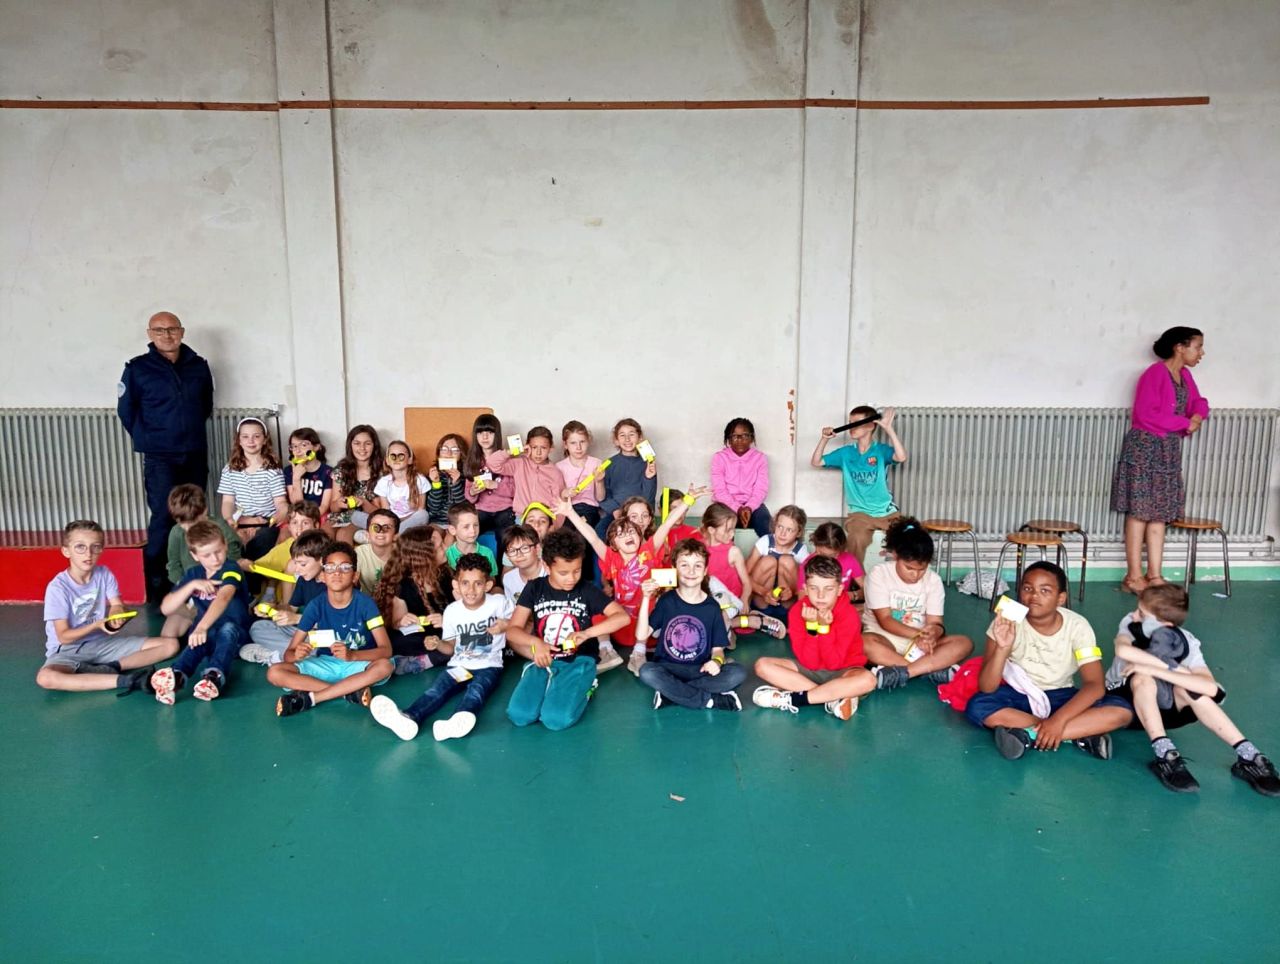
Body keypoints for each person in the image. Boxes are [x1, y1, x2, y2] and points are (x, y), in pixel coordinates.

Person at [1104, 584, 1279, 796]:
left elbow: (1210, 689)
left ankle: (1249, 756)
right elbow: (1123, 650)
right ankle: (1165, 756)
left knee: (1193, 691)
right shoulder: (1131, 625)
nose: (1134, 614)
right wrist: (1164, 669)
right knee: (1143, 678)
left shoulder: (1186, 641)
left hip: (1164, 706)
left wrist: (1164, 667)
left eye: (1142, 613)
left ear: (1166, 625)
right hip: (1124, 703)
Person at [965, 562, 1133, 760]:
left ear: (1060, 598)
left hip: (1061, 696)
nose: (1034, 596)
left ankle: (1030, 734)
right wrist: (1003, 647)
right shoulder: (1007, 618)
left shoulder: (1078, 625)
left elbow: (1095, 685)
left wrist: (1058, 720)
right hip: (1019, 695)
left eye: (1045, 590)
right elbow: (987, 687)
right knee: (978, 706)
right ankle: (1077, 736)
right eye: (1028, 588)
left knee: (1122, 711)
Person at [116, 311, 215, 602]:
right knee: (163, 516)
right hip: (160, 456)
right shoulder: (138, 369)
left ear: (182, 332)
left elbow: (205, 405)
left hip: (194, 451)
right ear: (150, 334)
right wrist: (151, 438)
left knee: (196, 515)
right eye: (160, 330)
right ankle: (158, 582)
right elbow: (127, 411)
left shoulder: (198, 365)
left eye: (172, 329)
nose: (167, 335)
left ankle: (196, 574)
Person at [559, 487, 707, 675]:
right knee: (596, 606)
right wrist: (570, 512)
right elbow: (591, 537)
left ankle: (638, 655)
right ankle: (606, 650)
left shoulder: (649, 551)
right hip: (622, 624)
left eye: (632, 532)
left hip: (648, 626)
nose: (628, 536)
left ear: (640, 536)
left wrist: (687, 501)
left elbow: (667, 524)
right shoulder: (611, 557)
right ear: (612, 543)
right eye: (621, 534)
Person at [369, 552, 514, 742]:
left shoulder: (499, 603)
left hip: (489, 666)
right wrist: (438, 644)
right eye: (465, 583)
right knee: (436, 690)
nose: (471, 589)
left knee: (476, 692)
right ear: (456, 585)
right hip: (459, 665)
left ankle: (455, 721)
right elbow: (451, 648)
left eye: (478, 583)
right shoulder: (452, 611)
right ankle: (409, 718)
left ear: (487, 585)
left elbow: (520, 624)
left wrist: (506, 624)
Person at [1111, 327, 1209, 593]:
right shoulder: (1155, 373)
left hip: (1167, 449)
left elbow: (1199, 402)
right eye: (1197, 346)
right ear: (1180, 346)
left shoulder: (1184, 375)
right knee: (1140, 512)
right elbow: (1145, 414)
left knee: (1159, 513)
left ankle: (1154, 575)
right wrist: (1184, 422)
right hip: (1145, 447)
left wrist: (1197, 417)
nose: (1201, 352)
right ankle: (1133, 576)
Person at [504, 529, 630, 731]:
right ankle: (547, 684)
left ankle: (588, 685)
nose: (571, 578)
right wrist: (536, 642)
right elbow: (512, 631)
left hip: (579, 660)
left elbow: (622, 617)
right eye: (563, 572)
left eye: (577, 570)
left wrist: (588, 633)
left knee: (555, 720)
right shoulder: (535, 588)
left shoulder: (587, 589)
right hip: (545, 659)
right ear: (546, 566)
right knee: (519, 715)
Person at [36, 520, 178, 694]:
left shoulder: (104, 574)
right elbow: (64, 637)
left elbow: (117, 605)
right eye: (80, 547)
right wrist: (97, 625)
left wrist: (117, 615)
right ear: (66, 551)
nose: (88, 553)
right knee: (46, 678)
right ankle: (129, 680)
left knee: (170, 645)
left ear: (101, 549)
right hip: (68, 650)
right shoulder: (58, 588)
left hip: (100, 644)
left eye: (95, 547)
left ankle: (110, 668)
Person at [269, 541, 394, 716]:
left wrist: (352, 655)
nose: (336, 573)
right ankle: (348, 692)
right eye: (330, 568)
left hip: (357, 665)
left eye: (344, 567)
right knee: (275, 672)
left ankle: (313, 698)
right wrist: (297, 654)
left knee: (385, 666)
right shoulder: (316, 605)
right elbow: (289, 654)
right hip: (325, 665)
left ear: (355, 576)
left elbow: (386, 650)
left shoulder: (366, 604)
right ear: (323, 575)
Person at [751, 555, 876, 721]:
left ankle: (793, 698)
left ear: (839, 590)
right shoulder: (797, 611)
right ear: (805, 588)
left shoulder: (849, 614)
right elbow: (809, 662)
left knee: (868, 680)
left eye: (829, 589)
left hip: (844, 670)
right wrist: (812, 629)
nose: (821, 595)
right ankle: (832, 699)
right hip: (810, 670)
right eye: (814, 588)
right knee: (762, 665)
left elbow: (834, 663)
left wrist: (824, 629)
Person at [859, 517, 973, 690]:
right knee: (862, 643)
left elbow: (936, 622)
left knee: (965, 643)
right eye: (909, 568)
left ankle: (905, 672)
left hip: (921, 645)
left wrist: (932, 634)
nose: (915, 575)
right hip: (884, 640)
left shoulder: (933, 581)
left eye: (922, 569)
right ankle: (928, 669)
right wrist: (918, 635)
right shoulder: (879, 574)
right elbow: (885, 620)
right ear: (895, 555)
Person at [634, 539, 747, 711]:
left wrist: (716, 662)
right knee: (647, 671)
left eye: (698, 566)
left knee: (738, 672)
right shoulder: (667, 601)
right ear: (675, 568)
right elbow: (641, 636)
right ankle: (711, 700)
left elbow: (718, 650)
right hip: (668, 668)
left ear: (705, 571)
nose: (691, 571)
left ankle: (671, 693)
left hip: (700, 669)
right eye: (684, 565)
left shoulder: (712, 607)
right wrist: (645, 598)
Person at [151, 521, 252, 704]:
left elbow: (224, 597)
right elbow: (166, 607)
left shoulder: (231, 569)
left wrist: (202, 626)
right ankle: (176, 678)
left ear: (225, 545)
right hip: (206, 634)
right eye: (207, 555)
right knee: (196, 643)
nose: (215, 559)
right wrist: (191, 586)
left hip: (236, 637)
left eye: (218, 551)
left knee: (226, 628)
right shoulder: (193, 574)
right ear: (195, 555)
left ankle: (214, 678)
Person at [810, 405, 907, 564]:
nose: (851, 427)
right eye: (849, 422)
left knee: (908, 537)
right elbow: (816, 461)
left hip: (887, 512)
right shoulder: (846, 453)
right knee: (856, 539)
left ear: (870, 425)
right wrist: (824, 439)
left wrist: (889, 429)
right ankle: (856, 584)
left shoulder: (881, 451)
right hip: (860, 514)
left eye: (856, 423)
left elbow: (901, 457)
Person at [239, 529, 330, 665]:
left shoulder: (334, 581)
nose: (297, 569)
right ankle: (297, 655)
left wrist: (298, 618)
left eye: (303, 564)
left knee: (328, 640)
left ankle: (278, 656)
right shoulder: (304, 580)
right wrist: (273, 608)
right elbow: (290, 608)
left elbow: (338, 622)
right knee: (258, 627)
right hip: (304, 634)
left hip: (326, 635)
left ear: (322, 560)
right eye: (296, 563)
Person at [372, 525, 453, 674]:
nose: (446, 548)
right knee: (400, 641)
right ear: (425, 556)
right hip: (423, 638)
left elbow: (464, 612)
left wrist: (447, 621)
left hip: (447, 633)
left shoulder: (446, 575)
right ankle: (431, 658)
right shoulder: (403, 585)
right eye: (440, 546)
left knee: (462, 638)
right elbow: (395, 625)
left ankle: (430, 659)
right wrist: (401, 622)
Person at [217, 417, 288, 559]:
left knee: (263, 540)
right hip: (240, 520)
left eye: (256, 436)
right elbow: (228, 502)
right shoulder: (230, 469)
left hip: (265, 522)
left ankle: (253, 579)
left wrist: (272, 519)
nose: (251, 441)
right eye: (245, 437)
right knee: (229, 542)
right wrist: (229, 519)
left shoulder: (272, 469)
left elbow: (281, 503)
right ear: (239, 440)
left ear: (265, 439)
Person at [165, 483, 242, 594]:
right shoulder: (176, 533)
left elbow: (234, 559)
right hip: (191, 588)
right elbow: (173, 566)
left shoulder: (221, 527)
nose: (188, 528)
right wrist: (185, 586)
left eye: (193, 523)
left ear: (205, 511)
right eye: (183, 524)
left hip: (221, 585)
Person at [595, 418, 659, 541]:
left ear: (640, 438)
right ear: (616, 440)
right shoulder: (609, 464)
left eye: (632, 434)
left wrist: (649, 478)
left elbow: (649, 498)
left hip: (641, 515)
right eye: (622, 435)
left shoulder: (647, 463)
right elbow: (603, 498)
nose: (627, 439)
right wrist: (615, 510)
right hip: (616, 513)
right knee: (600, 532)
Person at [744, 504, 810, 621]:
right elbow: (743, 575)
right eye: (780, 527)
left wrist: (793, 592)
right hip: (762, 602)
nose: (782, 533)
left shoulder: (801, 550)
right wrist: (763, 591)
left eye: (789, 530)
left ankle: (795, 616)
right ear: (775, 525)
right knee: (768, 561)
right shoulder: (765, 542)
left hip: (786, 604)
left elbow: (809, 584)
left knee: (787, 560)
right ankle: (756, 613)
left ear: (799, 533)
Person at [485, 426, 564, 523]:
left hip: (544, 520)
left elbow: (560, 504)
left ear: (551, 449)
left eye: (543, 448)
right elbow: (492, 463)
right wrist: (515, 450)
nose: (538, 453)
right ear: (527, 446)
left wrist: (554, 526)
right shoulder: (520, 463)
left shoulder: (555, 473)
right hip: (521, 518)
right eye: (534, 447)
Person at [710, 417, 771, 537]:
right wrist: (737, 508)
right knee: (722, 524)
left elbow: (761, 489)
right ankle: (725, 554)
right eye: (734, 436)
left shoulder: (760, 458)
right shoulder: (719, 458)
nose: (740, 440)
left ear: (752, 438)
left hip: (752, 504)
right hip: (725, 504)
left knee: (765, 522)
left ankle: (770, 554)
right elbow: (719, 491)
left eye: (745, 435)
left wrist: (749, 507)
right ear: (728, 439)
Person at [329, 425, 384, 543]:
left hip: (363, 517)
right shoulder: (341, 470)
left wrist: (363, 502)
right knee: (323, 535)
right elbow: (333, 507)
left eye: (367, 443)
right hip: (340, 517)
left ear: (374, 446)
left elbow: (381, 512)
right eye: (357, 443)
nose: (362, 448)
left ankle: (347, 562)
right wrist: (339, 504)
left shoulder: (382, 473)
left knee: (343, 535)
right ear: (350, 445)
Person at [464, 413, 516, 537]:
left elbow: (514, 491)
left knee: (506, 536)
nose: (485, 436)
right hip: (482, 510)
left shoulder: (507, 460)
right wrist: (473, 491)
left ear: (497, 435)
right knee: (468, 533)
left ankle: (500, 557)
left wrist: (496, 485)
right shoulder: (473, 461)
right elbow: (468, 495)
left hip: (505, 509)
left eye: (490, 432)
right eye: (480, 433)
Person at [359, 439, 429, 532]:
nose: (396, 459)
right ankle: (392, 531)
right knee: (356, 516)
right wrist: (390, 522)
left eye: (401, 456)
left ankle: (392, 532)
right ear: (387, 460)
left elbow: (421, 509)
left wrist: (403, 521)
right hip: (391, 520)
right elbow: (386, 510)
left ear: (410, 460)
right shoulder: (384, 482)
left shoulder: (420, 480)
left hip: (410, 520)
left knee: (423, 515)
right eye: (393, 456)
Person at [284, 427, 333, 515]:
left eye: (303, 445)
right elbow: (296, 504)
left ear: (316, 447)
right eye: (294, 446)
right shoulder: (288, 471)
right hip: (297, 515)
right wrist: (296, 478)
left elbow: (324, 506)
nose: (298, 450)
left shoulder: (328, 472)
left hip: (319, 515)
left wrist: (310, 519)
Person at [444, 502, 499, 576]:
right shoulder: (447, 555)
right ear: (453, 530)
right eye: (466, 527)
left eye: (475, 525)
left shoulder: (487, 553)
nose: (473, 530)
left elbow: (492, 579)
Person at [426, 433, 469, 526]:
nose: (449, 453)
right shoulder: (433, 474)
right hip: (437, 521)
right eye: (444, 449)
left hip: (458, 522)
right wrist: (436, 483)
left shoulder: (466, 476)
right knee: (433, 537)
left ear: (461, 454)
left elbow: (464, 508)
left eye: (455, 450)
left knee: (449, 539)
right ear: (439, 454)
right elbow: (433, 508)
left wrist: (456, 483)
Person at [501, 524, 547, 605]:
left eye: (525, 548)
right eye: (512, 551)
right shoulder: (508, 579)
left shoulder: (551, 572)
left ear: (537, 548)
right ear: (507, 555)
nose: (519, 554)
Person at [356, 508, 399, 593]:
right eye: (375, 527)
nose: (381, 532)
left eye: (387, 528)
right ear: (367, 534)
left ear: (396, 536)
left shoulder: (403, 555)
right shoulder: (359, 553)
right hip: (369, 603)